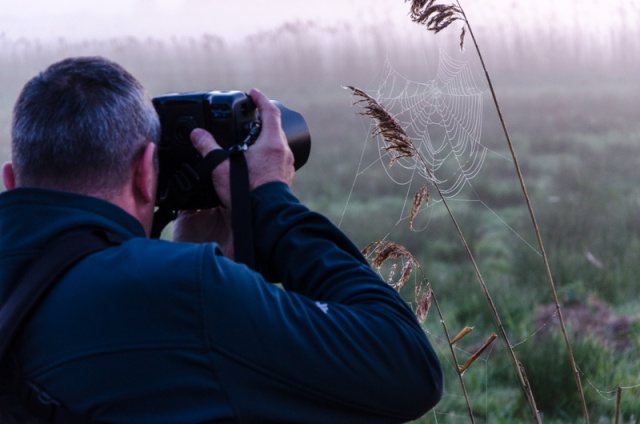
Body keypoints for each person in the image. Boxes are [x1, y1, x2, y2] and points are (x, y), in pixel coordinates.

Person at [0, 56, 443, 423]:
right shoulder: (184, 291)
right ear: (145, 171)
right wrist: (272, 202)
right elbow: (406, 366)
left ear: (10, 180)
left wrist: (185, 259)